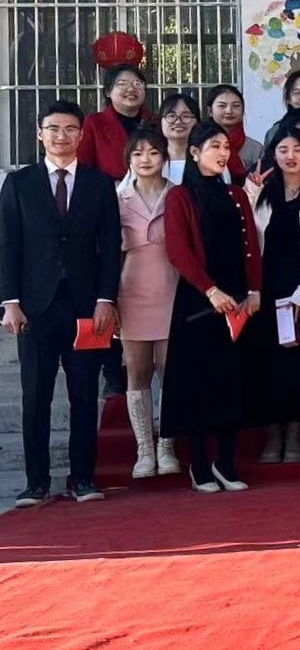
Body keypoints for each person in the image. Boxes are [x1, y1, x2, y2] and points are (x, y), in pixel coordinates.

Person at [1, 100, 123, 506]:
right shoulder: (18, 184)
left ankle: (83, 478)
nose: (61, 136)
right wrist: (10, 302)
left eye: (70, 129)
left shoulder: (99, 184)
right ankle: (36, 483)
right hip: (34, 308)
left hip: (86, 308)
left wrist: (106, 299)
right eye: (53, 128)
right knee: (35, 396)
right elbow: (7, 245)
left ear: (81, 135)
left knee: (84, 394)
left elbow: (110, 247)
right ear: (40, 134)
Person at [160, 122, 261, 494]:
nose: (222, 153)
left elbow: (251, 245)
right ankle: (200, 464)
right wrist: (210, 290)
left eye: (225, 147)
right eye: (214, 146)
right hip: (198, 301)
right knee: (199, 383)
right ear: (194, 152)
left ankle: (227, 462)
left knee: (232, 381)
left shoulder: (235, 194)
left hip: (236, 300)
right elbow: (178, 251)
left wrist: (254, 290)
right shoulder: (180, 196)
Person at [242, 128, 300, 463]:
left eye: (297, 149)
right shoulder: (260, 192)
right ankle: (271, 431)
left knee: (296, 361)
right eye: (283, 149)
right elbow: (248, 238)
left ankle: (294, 430)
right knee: (266, 361)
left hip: (299, 291)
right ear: (273, 154)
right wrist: (251, 192)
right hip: (262, 291)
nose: (290, 156)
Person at [117, 127, 181, 478]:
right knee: (137, 370)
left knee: (170, 370)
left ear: (164, 157)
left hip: (171, 287)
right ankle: (144, 448)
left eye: (153, 152)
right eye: (138, 153)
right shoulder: (117, 197)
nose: (145, 159)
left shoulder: (178, 195)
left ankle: (167, 446)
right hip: (131, 290)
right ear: (128, 159)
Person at [78, 64, 153, 181]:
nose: (131, 89)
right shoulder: (93, 123)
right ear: (108, 92)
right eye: (122, 84)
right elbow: (83, 167)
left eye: (137, 83)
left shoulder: (157, 122)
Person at [206, 84, 263, 181]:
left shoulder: (255, 148)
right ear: (210, 111)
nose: (229, 111)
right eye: (222, 106)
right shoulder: (202, 145)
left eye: (236, 106)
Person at [159, 92, 202, 181]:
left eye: (186, 116)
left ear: (197, 122)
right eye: (171, 115)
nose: (178, 121)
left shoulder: (207, 158)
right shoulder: (150, 160)